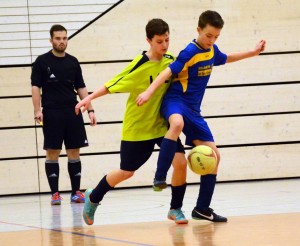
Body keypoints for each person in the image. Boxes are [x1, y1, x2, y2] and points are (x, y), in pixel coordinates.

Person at [136, 10, 266, 222]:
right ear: (198, 30)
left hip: (194, 111)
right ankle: (160, 176)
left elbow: (225, 58)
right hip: (176, 102)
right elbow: (168, 72)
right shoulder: (190, 51)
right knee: (176, 123)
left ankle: (202, 208)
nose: (211, 40)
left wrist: (252, 53)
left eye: (216, 37)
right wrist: (149, 91)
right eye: (208, 35)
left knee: (214, 157)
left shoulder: (211, 50)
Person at [75, 18, 188, 225]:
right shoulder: (140, 65)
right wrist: (89, 98)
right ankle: (93, 197)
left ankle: (175, 209)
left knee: (181, 163)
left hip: (162, 127)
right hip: (138, 129)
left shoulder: (170, 60)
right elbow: (112, 84)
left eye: (167, 40)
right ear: (148, 41)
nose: (164, 45)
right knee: (127, 172)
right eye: (159, 41)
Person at [31, 24, 97, 205]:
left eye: (64, 38)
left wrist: (90, 109)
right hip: (51, 113)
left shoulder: (73, 61)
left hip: (73, 112)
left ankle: (76, 192)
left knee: (74, 151)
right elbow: (35, 87)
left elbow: (81, 88)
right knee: (52, 152)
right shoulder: (41, 62)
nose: (62, 42)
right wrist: (37, 110)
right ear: (51, 40)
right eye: (58, 38)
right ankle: (55, 194)